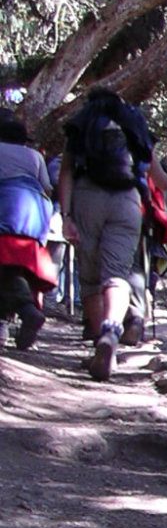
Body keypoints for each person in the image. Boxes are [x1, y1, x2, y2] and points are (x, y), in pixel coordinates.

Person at [58, 86, 155, 379]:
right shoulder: (133, 124)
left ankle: (101, 343)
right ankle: (111, 334)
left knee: (90, 277)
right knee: (117, 273)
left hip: (88, 197)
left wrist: (66, 216)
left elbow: (66, 173)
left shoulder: (83, 124)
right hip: (127, 201)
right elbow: (156, 174)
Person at [0, 110, 57, 349]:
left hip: (7, 208)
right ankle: (8, 324)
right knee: (13, 270)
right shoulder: (35, 156)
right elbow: (47, 187)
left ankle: (26, 310)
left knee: (6, 270)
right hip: (35, 215)